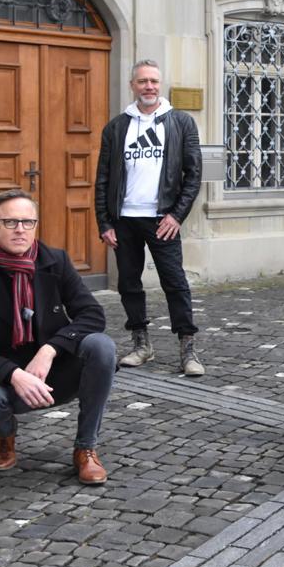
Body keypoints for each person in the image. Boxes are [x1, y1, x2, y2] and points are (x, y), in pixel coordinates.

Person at [0, 190, 115, 485]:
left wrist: (50, 349)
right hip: (4, 379)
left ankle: (85, 448)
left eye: (28, 222)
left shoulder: (55, 262)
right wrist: (13, 374)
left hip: (55, 371)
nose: (20, 230)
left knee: (101, 346)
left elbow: (92, 315)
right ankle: (4, 432)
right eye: (11, 222)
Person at [95, 59, 204, 375]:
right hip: (124, 219)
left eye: (154, 81)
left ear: (160, 84)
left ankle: (188, 349)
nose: (149, 87)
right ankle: (141, 344)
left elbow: (193, 174)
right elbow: (103, 178)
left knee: (175, 282)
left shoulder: (181, 123)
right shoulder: (116, 128)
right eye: (142, 81)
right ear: (132, 85)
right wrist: (104, 222)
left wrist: (177, 216)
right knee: (129, 284)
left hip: (162, 220)